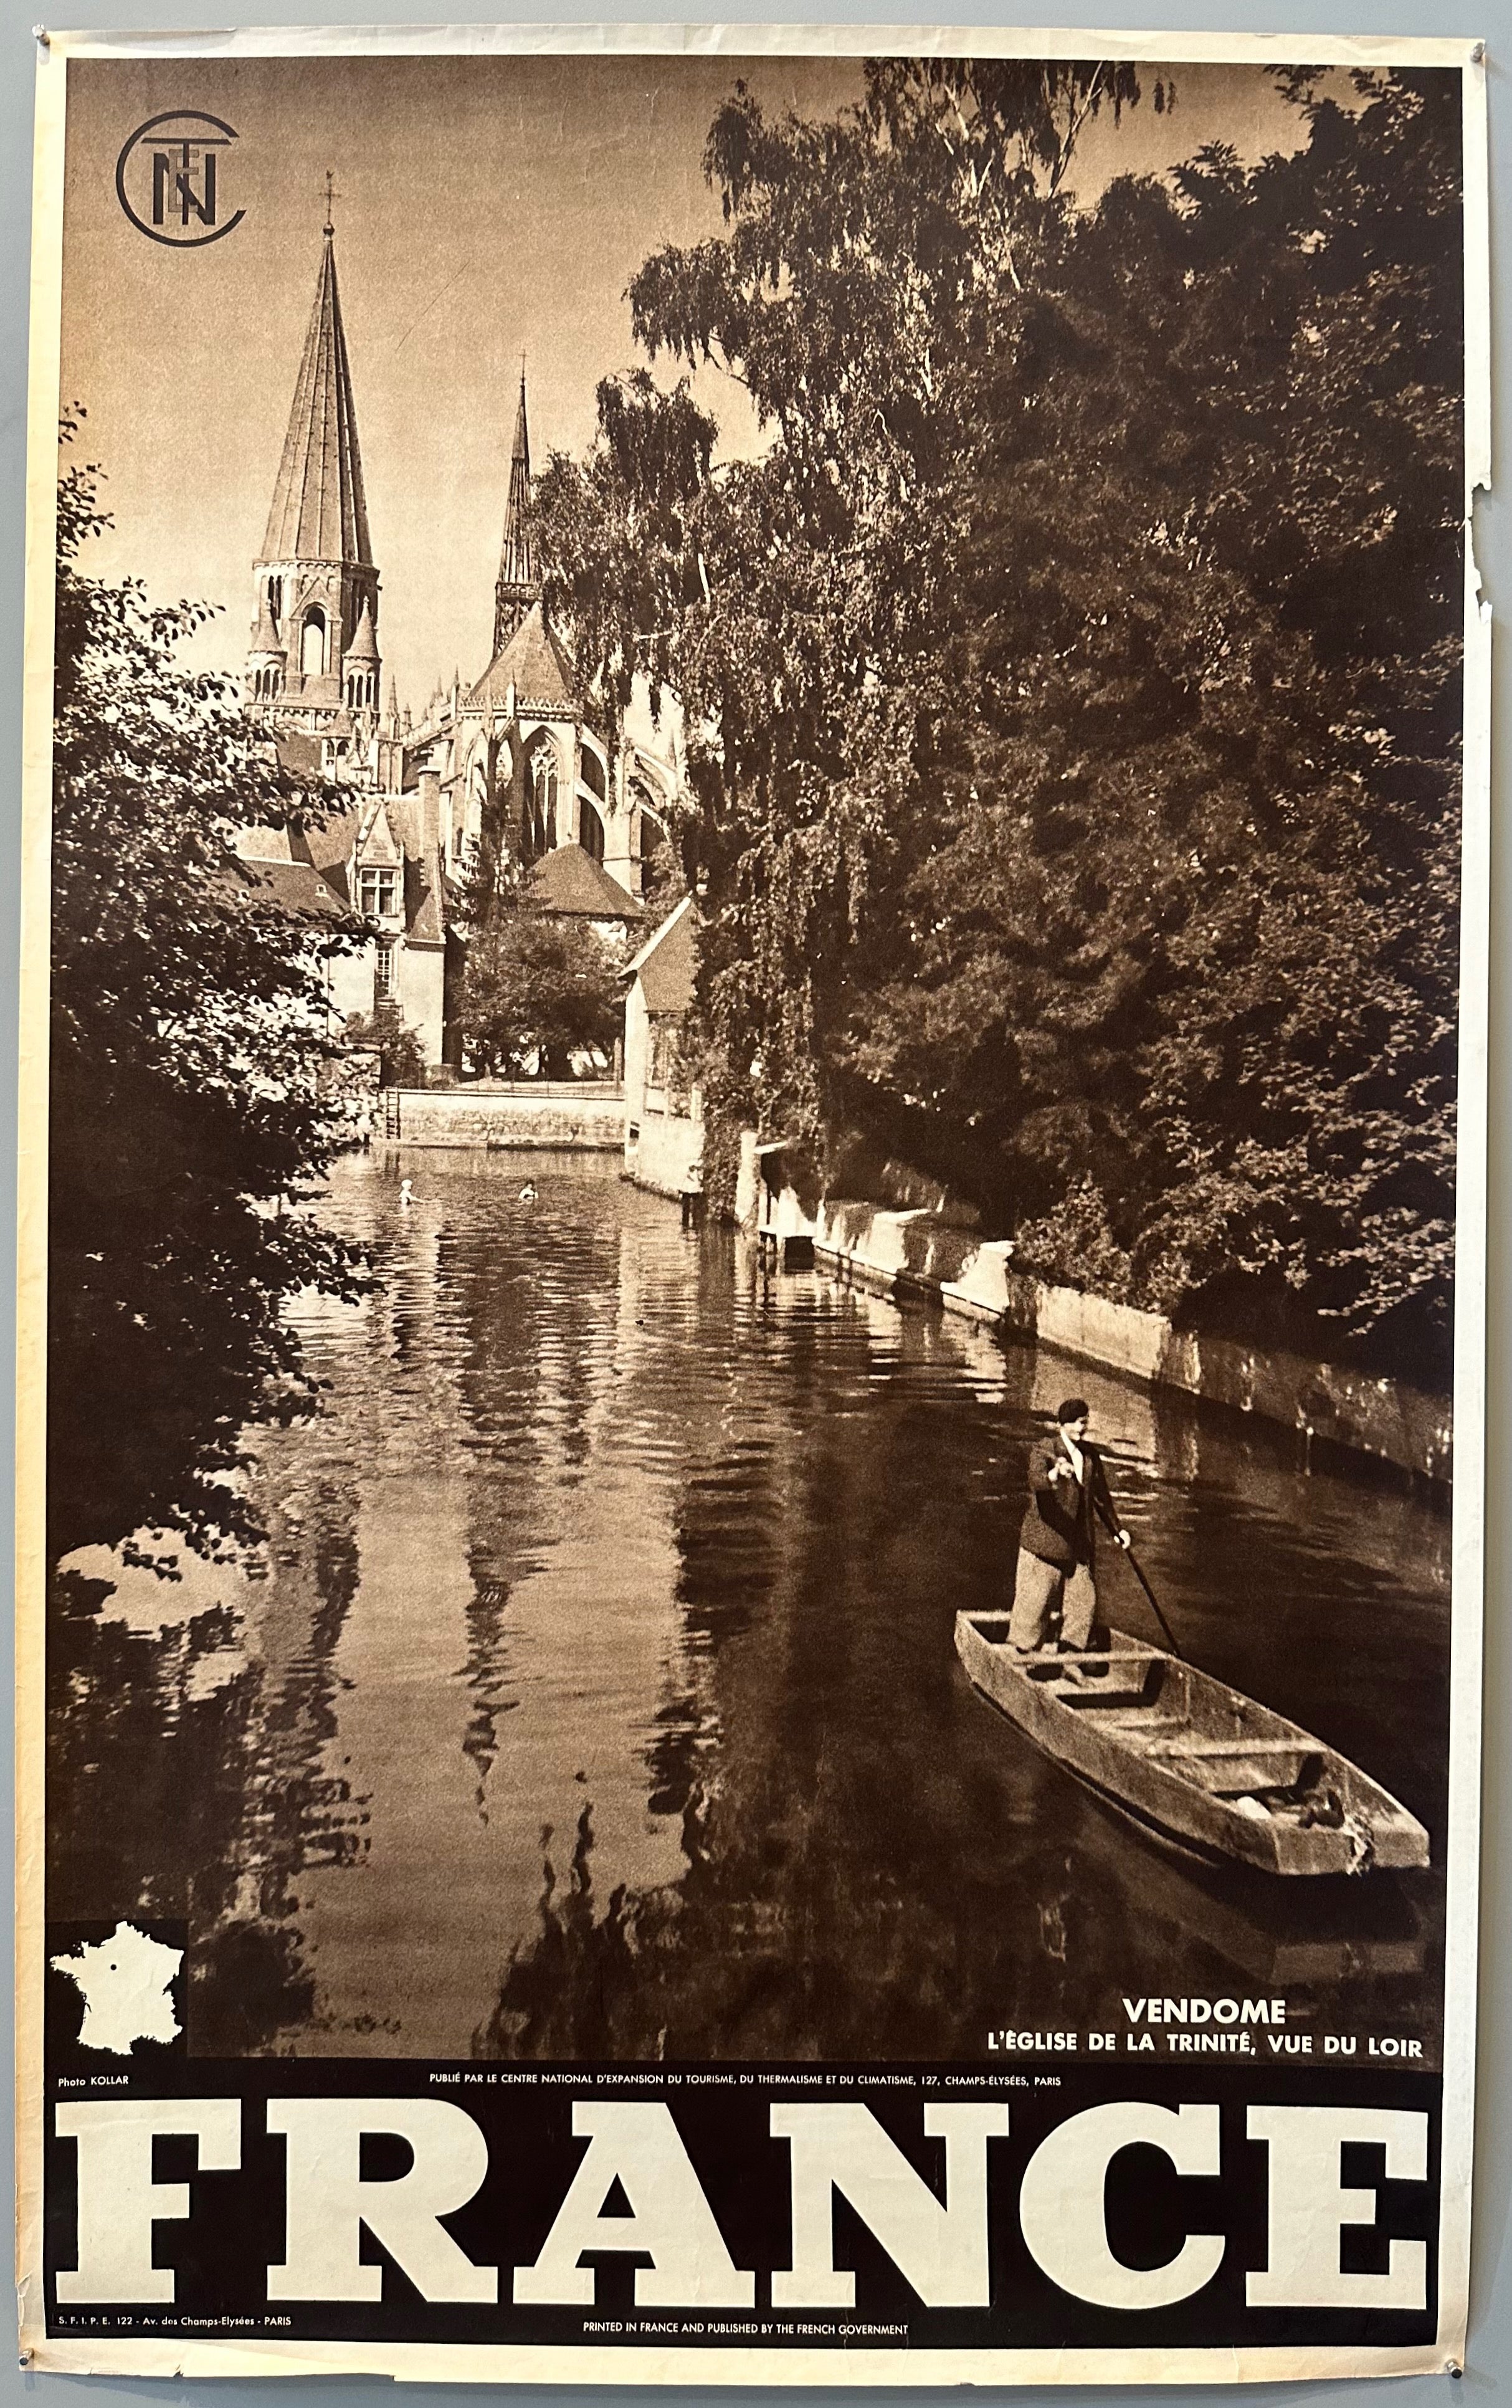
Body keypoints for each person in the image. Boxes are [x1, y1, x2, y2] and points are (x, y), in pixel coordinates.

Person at [1007, 1397, 1131, 1658]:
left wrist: (1117, 1530)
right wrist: (1054, 1475)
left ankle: (1071, 1654)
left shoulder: (1089, 1456)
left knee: (1084, 1602)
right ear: (1062, 1425)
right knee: (1034, 1606)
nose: (1081, 1428)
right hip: (1045, 1544)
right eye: (1075, 1423)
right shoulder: (1046, 1449)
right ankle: (1022, 1656)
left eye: (1084, 1422)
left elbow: (1101, 1498)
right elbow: (1037, 1480)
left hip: (1078, 1545)